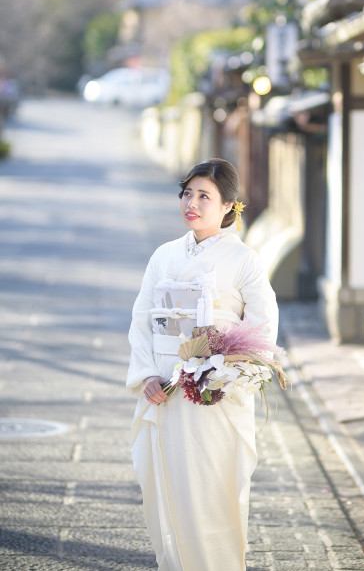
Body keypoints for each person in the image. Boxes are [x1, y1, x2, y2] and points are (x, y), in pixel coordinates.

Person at [126, 158, 278, 571]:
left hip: (213, 398)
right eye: (187, 193)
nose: (192, 203)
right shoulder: (164, 255)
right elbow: (142, 319)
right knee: (167, 489)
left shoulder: (245, 260)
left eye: (204, 196)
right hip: (167, 394)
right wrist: (147, 376)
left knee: (212, 493)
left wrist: (222, 373)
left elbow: (262, 329)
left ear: (229, 205)